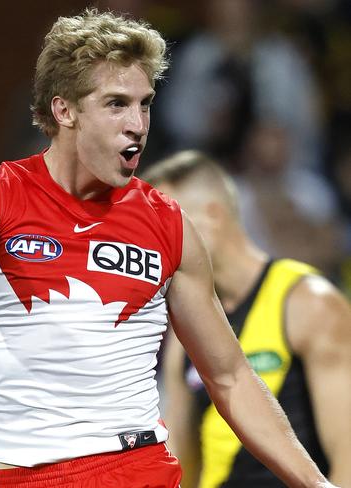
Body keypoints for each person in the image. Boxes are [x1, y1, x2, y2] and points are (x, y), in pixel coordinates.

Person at [0, 10, 336, 488]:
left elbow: (229, 375)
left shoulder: (168, 222)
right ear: (64, 109)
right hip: (33, 474)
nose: (137, 123)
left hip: (143, 467)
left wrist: (314, 482)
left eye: (145, 103)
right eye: (116, 103)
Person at [141, 150, 351, 487]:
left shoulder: (309, 303)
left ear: (211, 216)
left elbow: (348, 456)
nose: (151, 246)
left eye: (161, 226)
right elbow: (180, 455)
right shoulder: (186, 323)